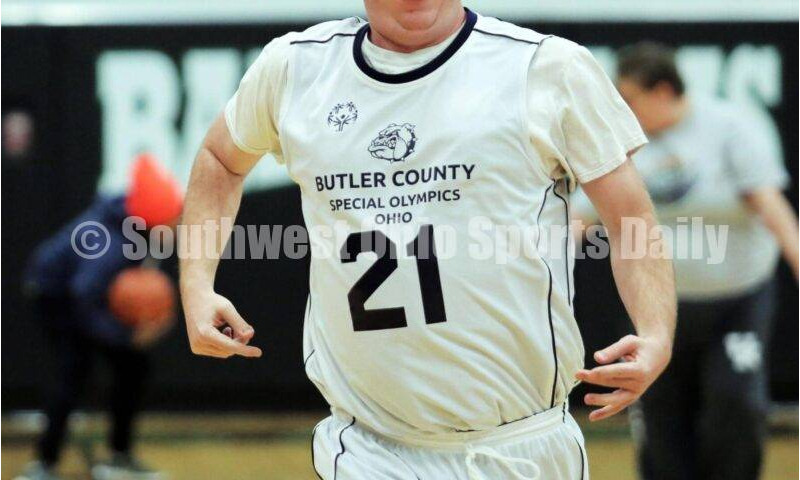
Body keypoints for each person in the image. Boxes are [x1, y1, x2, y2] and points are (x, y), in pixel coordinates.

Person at [179, 2, 676, 478]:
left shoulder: (546, 67)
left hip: (523, 445)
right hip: (369, 445)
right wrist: (197, 285)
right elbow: (221, 158)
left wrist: (655, 333)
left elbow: (630, 214)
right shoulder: (295, 68)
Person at [575, 42, 799, 480]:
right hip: (660, 306)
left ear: (662, 92)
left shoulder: (732, 127)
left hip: (737, 302)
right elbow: (578, 220)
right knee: (662, 416)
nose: (623, 109)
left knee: (736, 402)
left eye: (631, 99)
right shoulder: (620, 141)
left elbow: (774, 212)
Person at [17, 155, 182, 480]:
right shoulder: (114, 245)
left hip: (85, 295)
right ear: (155, 220)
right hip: (55, 295)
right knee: (73, 372)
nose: (180, 222)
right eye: (175, 218)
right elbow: (83, 297)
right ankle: (42, 465)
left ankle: (119, 458)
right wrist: (126, 337)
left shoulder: (134, 215)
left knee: (133, 368)